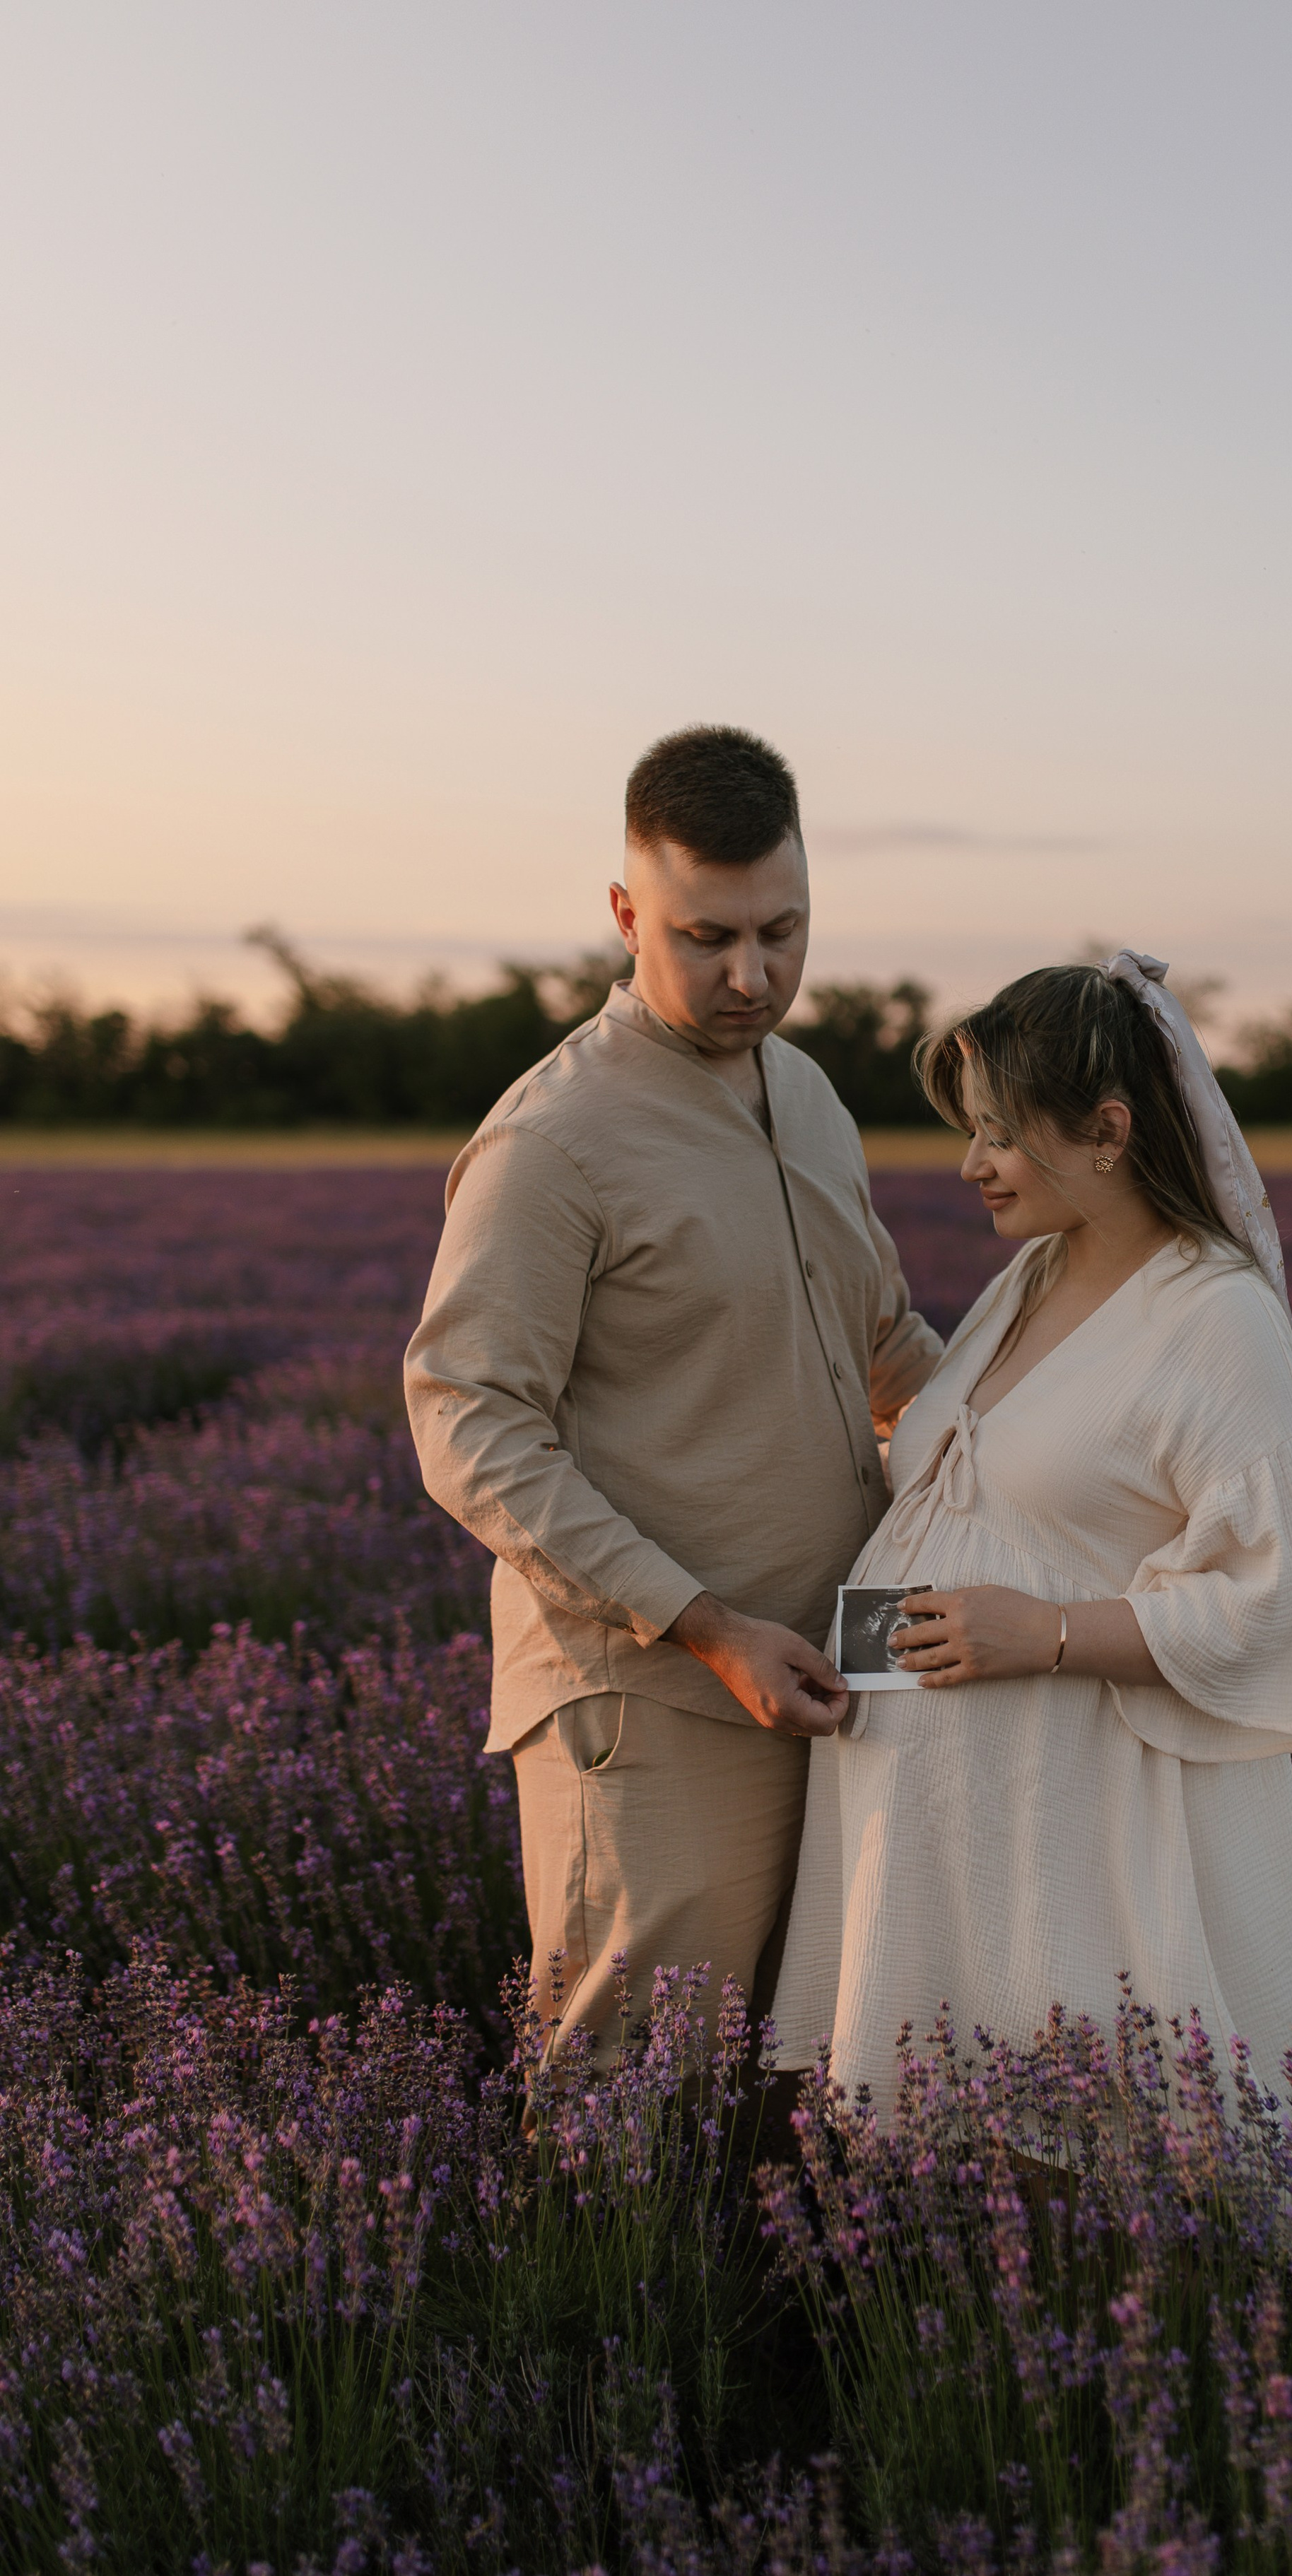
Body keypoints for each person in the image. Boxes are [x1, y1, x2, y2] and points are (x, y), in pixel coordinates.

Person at [772, 953, 1292, 2218]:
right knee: (955, 2173)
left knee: (1092, 2167)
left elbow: (1271, 1593)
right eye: (971, 1132)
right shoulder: (1032, 1277)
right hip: (929, 1808)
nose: (973, 1164)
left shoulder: (1217, 1317)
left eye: (1000, 1135)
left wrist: (1039, 1631)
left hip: (1069, 1813)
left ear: (1107, 1132)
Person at [406, 726, 941, 2067]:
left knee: (802, 2070)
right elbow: (468, 1424)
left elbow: (883, 1342)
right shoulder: (552, 1141)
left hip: (835, 1666)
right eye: (707, 937)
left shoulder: (809, 1094)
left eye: (783, 931)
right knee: (631, 2097)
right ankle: (586, 2295)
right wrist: (707, 1628)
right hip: (654, 1693)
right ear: (624, 912)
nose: (752, 975)